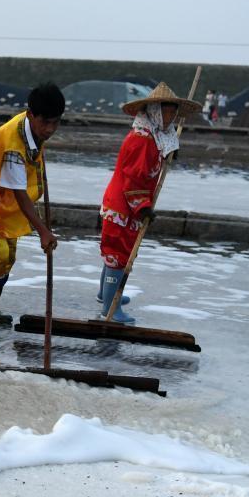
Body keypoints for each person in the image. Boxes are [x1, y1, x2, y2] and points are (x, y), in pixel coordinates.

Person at [97, 82, 201, 324]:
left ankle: (106, 294)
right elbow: (134, 177)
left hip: (123, 203)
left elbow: (153, 163)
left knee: (117, 252)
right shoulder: (141, 139)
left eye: (174, 111)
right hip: (123, 205)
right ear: (154, 111)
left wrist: (169, 154)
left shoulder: (153, 135)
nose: (171, 116)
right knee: (119, 254)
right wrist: (142, 207)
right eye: (167, 111)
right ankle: (110, 309)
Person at [0, 82, 65, 330]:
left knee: (7, 258)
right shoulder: (12, 145)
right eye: (46, 123)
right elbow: (19, 192)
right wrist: (43, 230)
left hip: (8, 206)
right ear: (31, 115)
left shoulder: (30, 126)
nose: (50, 129)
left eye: (56, 122)